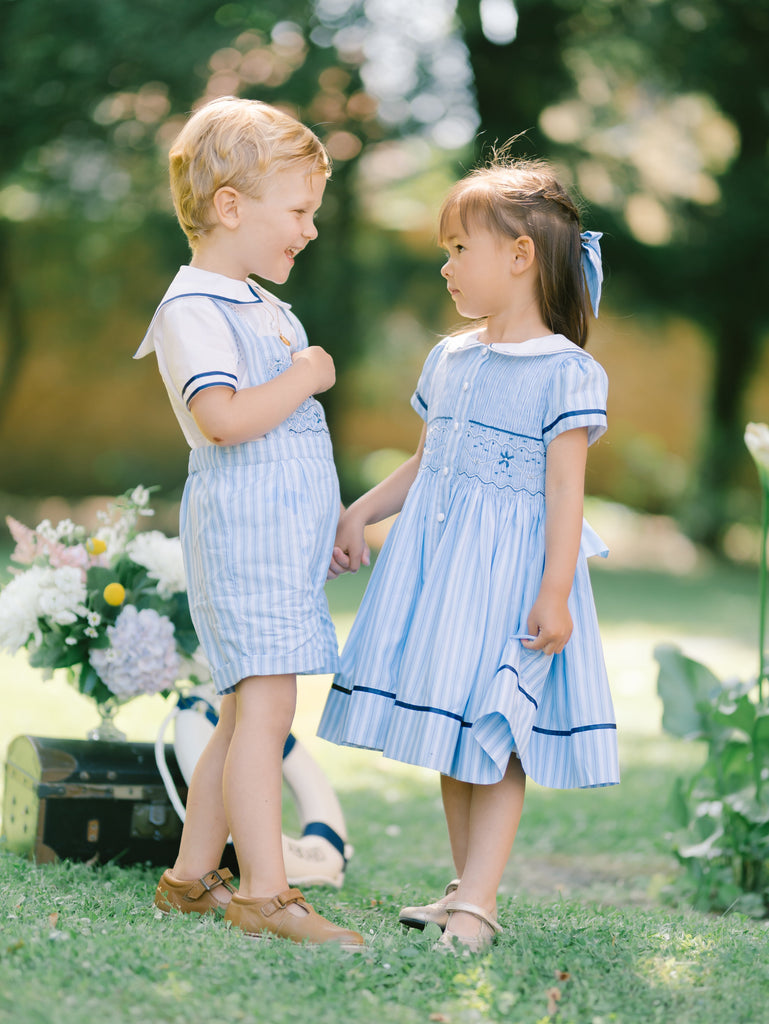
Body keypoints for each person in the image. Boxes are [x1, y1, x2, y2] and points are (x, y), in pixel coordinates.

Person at [319, 153, 619, 953]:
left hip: (513, 582)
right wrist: (359, 512)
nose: (446, 265)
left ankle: (479, 904)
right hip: (442, 575)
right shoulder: (450, 358)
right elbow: (426, 462)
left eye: (459, 248)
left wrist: (553, 592)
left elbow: (566, 492)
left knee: (496, 729)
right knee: (454, 730)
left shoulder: (565, 372)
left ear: (519, 255)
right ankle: (464, 890)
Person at [134, 96, 363, 951]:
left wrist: (325, 522)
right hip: (243, 538)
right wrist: (305, 375)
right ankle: (266, 893)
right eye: (298, 211)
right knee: (265, 713)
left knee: (242, 715)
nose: (310, 229)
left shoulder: (260, 303)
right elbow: (225, 421)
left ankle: (191, 877)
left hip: (278, 540)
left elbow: (291, 445)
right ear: (230, 206)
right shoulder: (194, 309)